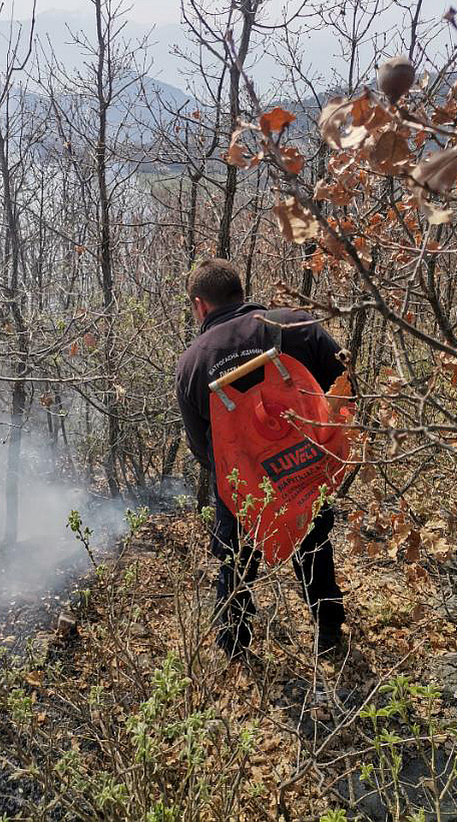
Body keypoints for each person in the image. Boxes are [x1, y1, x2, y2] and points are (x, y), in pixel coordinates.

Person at [175, 258, 348, 660]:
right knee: (314, 543)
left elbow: (203, 449)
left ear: (200, 305)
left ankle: (234, 647)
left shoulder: (192, 363)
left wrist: (244, 471)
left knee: (234, 561)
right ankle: (328, 633)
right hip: (304, 472)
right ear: (241, 291)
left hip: (241, 488)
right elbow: (344, 379)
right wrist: (321, 442)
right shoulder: (293, 323)